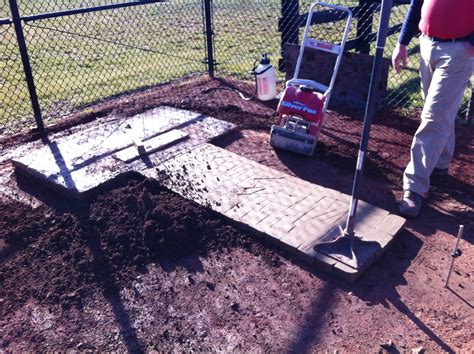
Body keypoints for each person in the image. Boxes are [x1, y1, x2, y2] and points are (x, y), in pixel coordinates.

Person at [391, 0, 473, 218]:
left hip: (458, 50)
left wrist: (470, 44)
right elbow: (416, 3)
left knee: (433, 117)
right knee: (437, 111)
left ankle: (414, 186)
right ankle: (441, 162)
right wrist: (402, 42)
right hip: (427, 45)